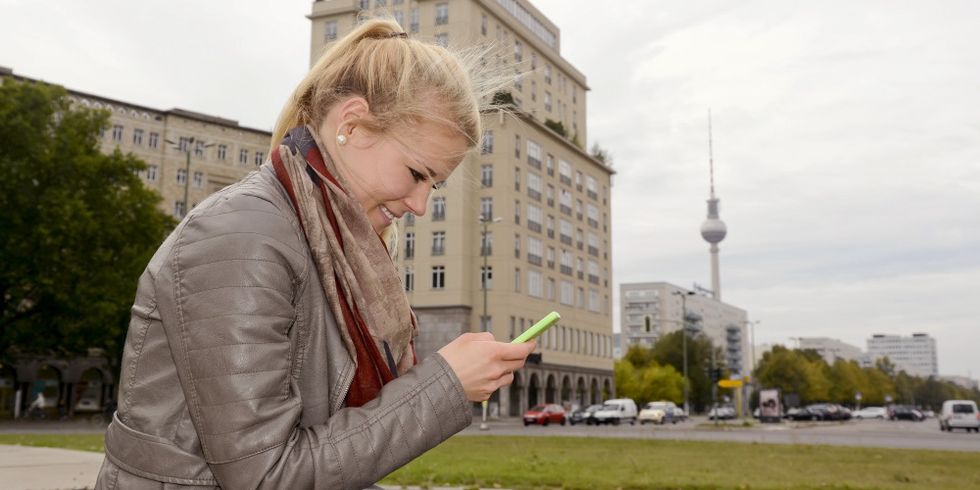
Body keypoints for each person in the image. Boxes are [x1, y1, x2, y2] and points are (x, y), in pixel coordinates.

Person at [95, 19, 533, 490]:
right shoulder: (244, 237)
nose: (420, 205)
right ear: (352, 124)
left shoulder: (325, 239)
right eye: (416, 173)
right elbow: (265, 475)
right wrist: (446, 384)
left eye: (435, 185)